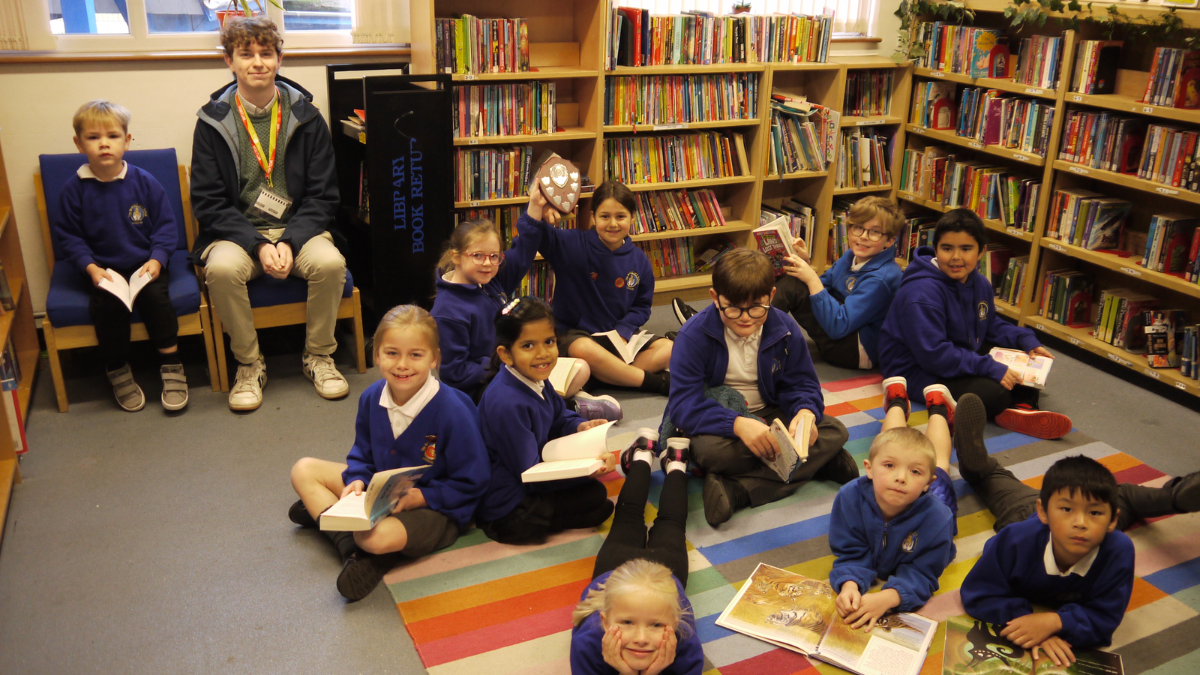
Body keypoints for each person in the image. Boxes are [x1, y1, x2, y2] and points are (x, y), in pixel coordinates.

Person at [957, 393, 1200, 663]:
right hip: (1024, 512)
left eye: (1094, 513)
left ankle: (1177, 496)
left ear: (1111, 522)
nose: (1080, 522)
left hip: (1082, 514)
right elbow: (980, 590)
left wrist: (1056, 622)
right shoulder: (1017, 538)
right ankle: (976, 464)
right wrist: (1026, 620)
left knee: (1115, 496)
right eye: (1067, 510)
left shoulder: (1117, 548)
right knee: (995, 482)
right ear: (1044, 512)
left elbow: (1105, 619)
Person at [190, 15, 349, 411]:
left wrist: (292, 240)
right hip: (238, 234)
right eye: (246, 54)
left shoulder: (308, 118)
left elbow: (323, 197)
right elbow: (209, 202)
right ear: (229, 61)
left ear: (280, 59)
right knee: (222, 271)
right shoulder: (211, 122)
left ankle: (319, 356)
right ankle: (248, 364)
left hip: (299, 230)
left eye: (266, 53)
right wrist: (258, 244)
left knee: (331, 264)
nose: (257, 62)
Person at [288, 305, 489, 601]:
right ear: (377, 355)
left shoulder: (453, 410)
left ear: (434, 359)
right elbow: (362, 452)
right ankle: (352, 549)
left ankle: (347, 535)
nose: (402, 365)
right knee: (303, 470)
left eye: (416, 355)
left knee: (374, 537)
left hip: (436, 509)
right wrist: (356, 479)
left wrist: (421, 497)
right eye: (392, 353)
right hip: (380, 493)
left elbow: (474, 481)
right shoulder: (371, 397)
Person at [666, 248, 854, 527]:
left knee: (834, 430)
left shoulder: (785, 326)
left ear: (772, 296)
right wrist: (738, 424)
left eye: (757, 307)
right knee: (710, 453)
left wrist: (805, 412)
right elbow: (683, 407)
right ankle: (817, 463)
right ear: (714, 297)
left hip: (772, 411)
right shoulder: (693, 336)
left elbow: (802, 383)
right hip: (722, 419)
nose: (745, 317)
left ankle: (739, 489)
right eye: (732, 307)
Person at [877, 208, 1072, 439]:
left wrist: (1025, 340)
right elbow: (934, 355)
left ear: (981, 252)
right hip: (914, 369)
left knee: (1023, 363)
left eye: (966, 249)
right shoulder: (921, 293)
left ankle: (1019, 409)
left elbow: (989, 324)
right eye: (947, 248)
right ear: (936, 248)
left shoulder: (979, 283)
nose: (956, 257)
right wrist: (988, 367)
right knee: (994, 391)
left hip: (957, 350)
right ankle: (1011, 405)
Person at [431, 190, 618, 420]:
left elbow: (521, 253)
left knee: (581, 369)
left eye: (494, 256)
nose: (487, 263)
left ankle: (558, 402)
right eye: (477, 256)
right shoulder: (448, 311)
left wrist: (535, 207)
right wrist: (505, 363)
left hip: (512, 363)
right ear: (457, 256)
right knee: (526, 397)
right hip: (484, 388)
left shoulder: (488, 280)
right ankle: (567, 407)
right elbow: (455, 373)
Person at [55, 100, 187, 412]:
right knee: (108, 308)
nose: (104, 144)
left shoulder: (144, 181)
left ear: (126, 142)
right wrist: (90, 268)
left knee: (157, 299)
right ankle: (117, 369)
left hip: (146, 264)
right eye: (93, 137)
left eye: (112, 136)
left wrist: (157, 260)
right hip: (104, 270)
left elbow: (166, 228)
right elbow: (69, 238)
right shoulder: (73, 190)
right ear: (78, 143)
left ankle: (172, 365)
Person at [675, 197, 904, 371]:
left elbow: (838, 325)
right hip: (843, 334)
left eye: (874, 233)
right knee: (789, 274)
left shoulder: (882, 277)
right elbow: (822, 286)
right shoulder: (853, 256)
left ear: (889, 241)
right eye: (858, 228)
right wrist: (804, 262)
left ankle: (724, 326)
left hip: (855, 350)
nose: (863, 236)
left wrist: (810, 276)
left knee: (793, 285)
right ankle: (722, 320)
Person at [475, 297, 616, 544]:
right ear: (506, 354)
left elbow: (559, 416)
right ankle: (530, 523)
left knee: (596, 497)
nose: (543, 354)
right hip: (508, 497)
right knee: (594, 500)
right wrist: (584, 473)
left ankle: (553, 517)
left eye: (549, 342)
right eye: (528, 345)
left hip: (532, 473)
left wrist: (580, 426)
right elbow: (529, 474)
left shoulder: (536, 378)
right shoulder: (507, 403)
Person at [828, 377, 959, 631]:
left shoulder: (938, 518)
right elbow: (851, 551)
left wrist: (888, 597)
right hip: (904, 474)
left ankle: (940, 410)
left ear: (926, 483)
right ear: (868, 469)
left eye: (915, 473)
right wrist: (850, 585)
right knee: (892, 441)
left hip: (937, 496)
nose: (900, 477)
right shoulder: (849, 497)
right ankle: (897, 401)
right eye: (889, 466)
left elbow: (925, 572)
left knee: (939, 461)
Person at [570, 439, 704, 674]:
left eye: (656, 624)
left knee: (628, 517)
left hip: (616, 568)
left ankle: (644, 454)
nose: (641, 639)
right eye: (627, 622)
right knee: (669, 523)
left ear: (674, 624)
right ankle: (671, 463)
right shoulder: (590, 642)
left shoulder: (683, 637)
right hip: (661, 571)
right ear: (604, 621)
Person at [530, 181, 672, 396]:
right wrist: (542, 210)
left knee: (670, 348)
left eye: (621, 216)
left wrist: (624, 332)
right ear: (593, 217)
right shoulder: (572, 244)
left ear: (632, 218)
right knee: (583, 349)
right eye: (605, 216)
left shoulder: (640, 260)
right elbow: (536, 232)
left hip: (619, 337)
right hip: (575, 336)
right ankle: (650, 382)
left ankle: (606, 376)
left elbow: (642, 307)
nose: (613, 224)